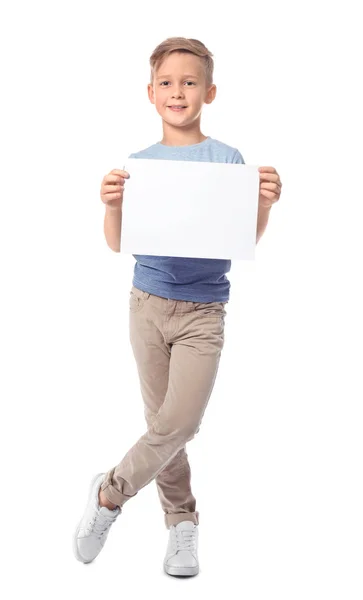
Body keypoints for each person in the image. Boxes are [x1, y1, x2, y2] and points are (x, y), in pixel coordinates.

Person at [73, 36, 282, 577]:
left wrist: (262, 204)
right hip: (146, 304)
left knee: (180, 423)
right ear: (150, 93)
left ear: (209, 92)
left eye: (190, 82)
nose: (178, 91)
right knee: (161, 422)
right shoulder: (140, 163)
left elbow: (245, 239)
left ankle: (109, 495)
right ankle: (182, 524)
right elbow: (118, 243)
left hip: (203, 312)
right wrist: (111, 205)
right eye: (167, 82)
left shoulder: (228, 159)